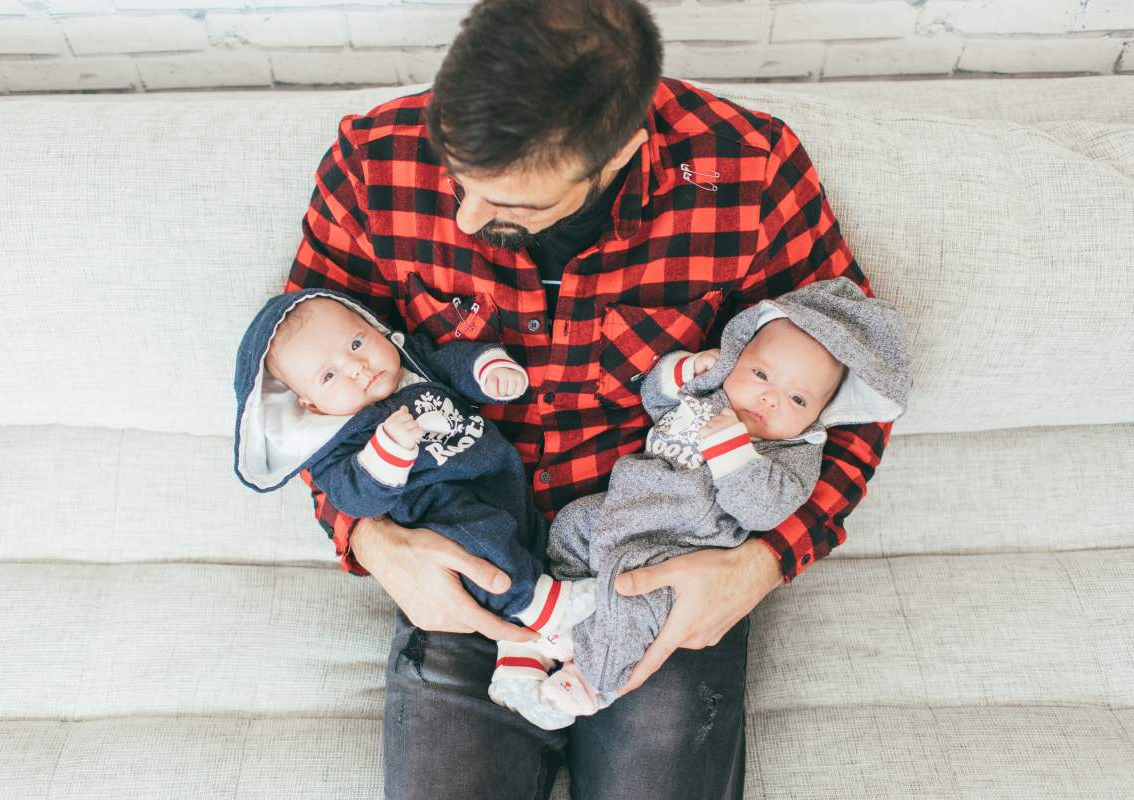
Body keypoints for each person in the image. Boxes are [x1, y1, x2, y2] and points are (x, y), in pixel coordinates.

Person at [286, 0, 895, 796]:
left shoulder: (748, 172)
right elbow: (293, 383)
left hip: (662, 555)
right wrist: (370, 540)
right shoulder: (372, 165)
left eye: (512, 203)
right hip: (466, 542)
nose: (467, 216)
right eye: (458, 175)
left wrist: (761, 563)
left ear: (620, 153)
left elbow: (851, 400)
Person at [529, 277, 912, 720]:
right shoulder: (713, 392)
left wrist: (733, 452)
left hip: (678, 542)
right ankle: (570, 606)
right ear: (737, 356)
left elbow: (763, 510)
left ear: (819, 415)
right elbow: (657, 403)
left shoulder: (793, 451)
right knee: (572, 525)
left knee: (635, 601)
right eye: (762, 375)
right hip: (623, 504)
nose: (769, 398)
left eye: (797, 398)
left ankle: (592, 679)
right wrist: (683, 371)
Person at [231, 288, 596, 729]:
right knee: (487, 545)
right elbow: (352, 498)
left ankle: (520, 670)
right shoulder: (336, 441)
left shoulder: (412, 364)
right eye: (329, 375)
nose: (357, 367)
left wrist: (489, 371)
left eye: (356, 343)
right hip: (442, 518)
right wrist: (387, 452)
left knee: (526, 539)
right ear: (310, 405)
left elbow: (453, 364)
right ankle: (546, 609)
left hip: (499, 486)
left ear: (375, 328)